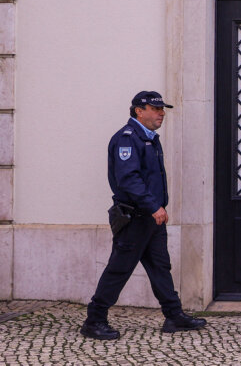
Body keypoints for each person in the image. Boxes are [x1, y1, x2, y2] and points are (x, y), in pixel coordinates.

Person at [80, 91, 206, 340]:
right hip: (136, 217)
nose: (161, 113)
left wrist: (156, 209)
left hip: (151, 218)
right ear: (139, 110)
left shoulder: (148, 139)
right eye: (155, 108)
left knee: (160, 267)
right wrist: (153, 206)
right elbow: (128, 179)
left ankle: (174, 316)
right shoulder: (128, 139)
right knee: (119, 268)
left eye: (163, 109)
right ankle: (94, 320)